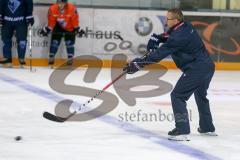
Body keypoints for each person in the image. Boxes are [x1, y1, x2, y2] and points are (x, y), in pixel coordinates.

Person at [124, 8, 217, 141]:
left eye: (168, 19)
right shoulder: (186, 26)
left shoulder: (178, 37)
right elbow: (168, 36)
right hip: (207, 66)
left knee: (178, 95)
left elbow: (158, 55)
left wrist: (137, 64)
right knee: (200, 95)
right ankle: (207, 127)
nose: (166, 21)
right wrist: (158, 37)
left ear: (176, 20)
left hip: (196, 69)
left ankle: (182, 131)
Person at [39, 0, 85, 66]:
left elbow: (75, 20)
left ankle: (70, 59)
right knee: (55, 42)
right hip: (58, 26)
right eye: (58, 2)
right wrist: (47, 29)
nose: (60, 5)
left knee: (69, 43)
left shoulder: (72, 8)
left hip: (70, 27)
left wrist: (77, 29)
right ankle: (51, 57)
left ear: (65, 3)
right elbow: (51, 21)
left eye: (62, 3)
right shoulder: (52, 8)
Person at [0, 0, 34, 67]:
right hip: (6, 20)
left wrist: (29, 16)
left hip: (21, 21)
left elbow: (29, 4)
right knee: (5, 39)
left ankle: (21, 58)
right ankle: (7, 58)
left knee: (22, 39)